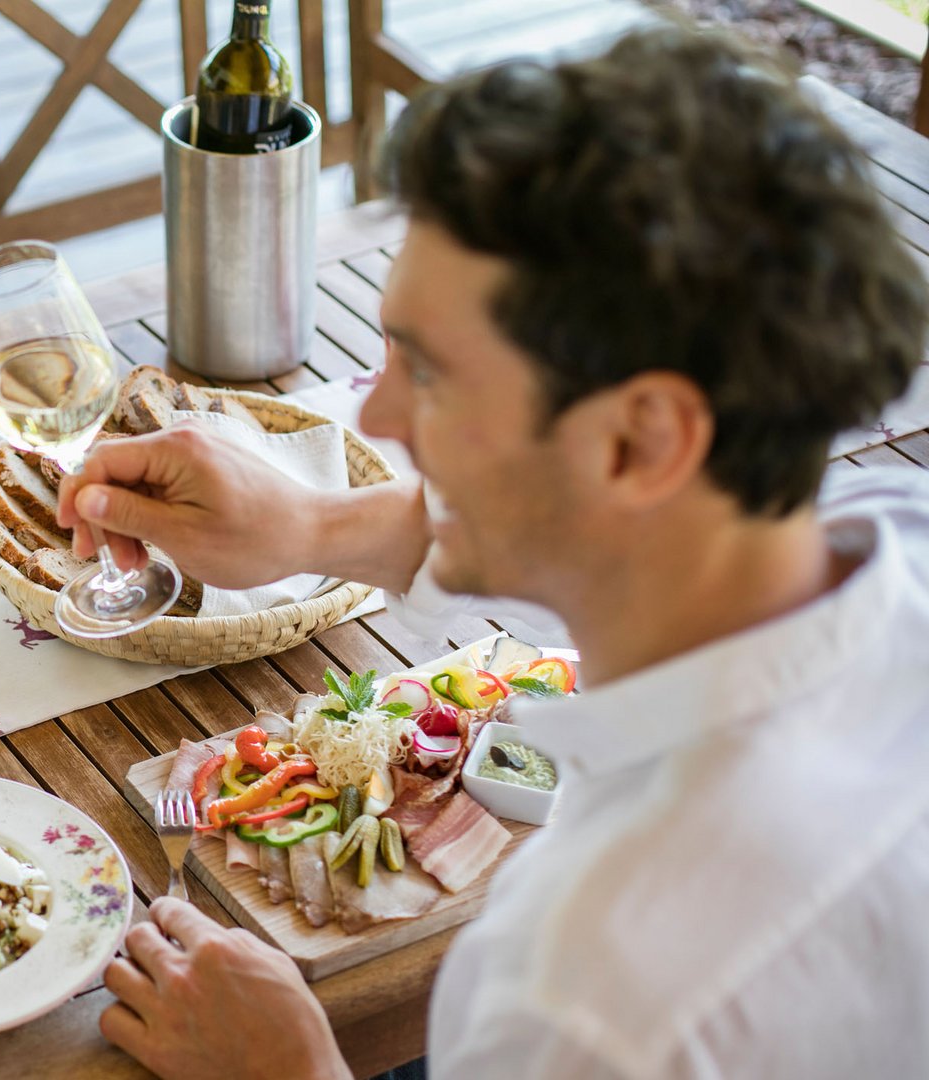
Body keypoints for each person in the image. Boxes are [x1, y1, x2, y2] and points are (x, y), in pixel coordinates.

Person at [62, 23, 929, 1080]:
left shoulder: (584, 995)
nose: (377, 415)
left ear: (642, 438)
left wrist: (292, 1068)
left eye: (427, 372)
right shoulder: (894, 526)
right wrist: (305, 527)